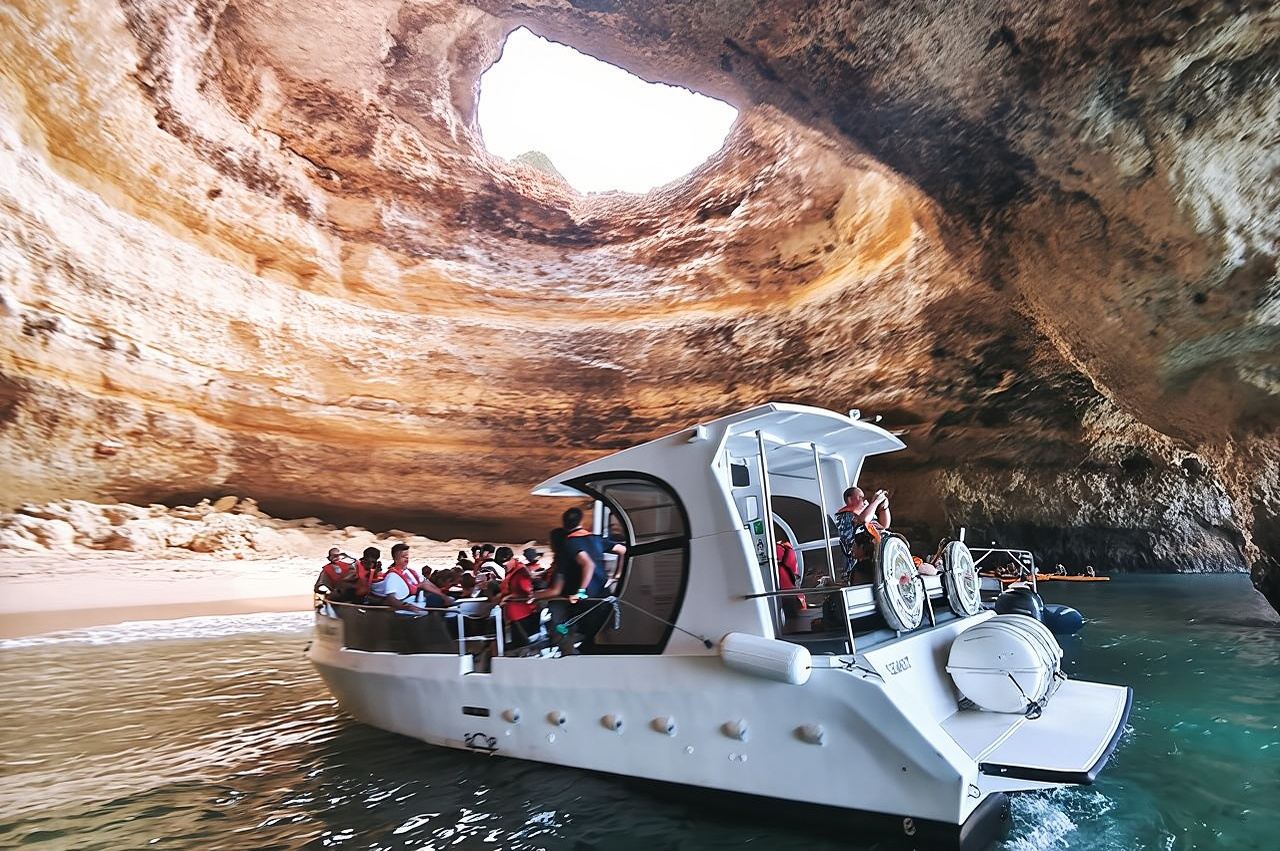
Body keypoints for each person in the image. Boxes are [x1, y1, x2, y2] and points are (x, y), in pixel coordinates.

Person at [371, 543, 454, 612]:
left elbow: (425, 583)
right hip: (408, 608)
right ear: (395, 559)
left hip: (419, 602)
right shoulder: (392, 576)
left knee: (437, 599)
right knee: (435, 600)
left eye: (407, 556)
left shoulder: (411, 572)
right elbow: (391, 599)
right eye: (403, 557)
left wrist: (443, 596)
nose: (407, 559)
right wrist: (407, 607)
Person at [833, 486, 890, 575]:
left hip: (874, 558)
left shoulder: (865, 514)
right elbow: (864, 519)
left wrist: (883, 507)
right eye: (860, 497)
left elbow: (884, 525)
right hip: (858, 566)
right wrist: (876, 501)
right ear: (850, 499)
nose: (863, 499)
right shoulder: (845, 515)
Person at [495, 546, 540, 647]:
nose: (503, 566)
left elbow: (527, 594)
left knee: (521, 645)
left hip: (521, 616)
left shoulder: (520, 572)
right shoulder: (512, 570)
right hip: (513, 616)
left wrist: (506, 597)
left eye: (504, 563)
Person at [776, 540, 806, 627]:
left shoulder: (778, 549)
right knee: (792, 620)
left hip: (783, 590)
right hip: (791, 590)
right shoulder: (789, 550)